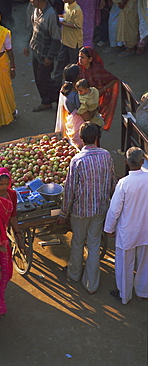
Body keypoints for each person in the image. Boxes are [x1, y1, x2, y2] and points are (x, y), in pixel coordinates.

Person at [57, 122, 116, 294]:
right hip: (100, 210)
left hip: (80, 211)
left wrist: (63, 213)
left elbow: (69, 190)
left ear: (81, 139)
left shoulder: (77, 160)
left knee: (77, 242)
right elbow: (113, 183)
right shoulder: (106, 156)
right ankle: (92, 284)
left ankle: (74, 275)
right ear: (97, 138)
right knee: (94, 244)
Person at [104, 147, 148, 304]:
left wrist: (109, 228)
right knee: (144, 262)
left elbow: (114, 209)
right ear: (143, 161)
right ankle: (143, 291)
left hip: (127, 231)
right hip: (145, 230)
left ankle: (125, 294)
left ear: (126, 162)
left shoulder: (124, 183)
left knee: (124, 264)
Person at [0, 167, 25, 318]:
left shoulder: (12, 195)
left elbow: (13, 216)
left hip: (4, 240)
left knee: (6, 273)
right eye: (0, 184)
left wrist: (19, 237)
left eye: (5, 184)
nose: (2, 187)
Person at [24, 0, 61, 112]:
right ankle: (46, 101)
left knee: (44, 79)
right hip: (36, 51)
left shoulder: (50, 14)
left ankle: (62, 99)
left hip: (45, 55)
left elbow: (56, 38)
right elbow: (33, 30)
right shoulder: (36, 11)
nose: (31, 0)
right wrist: (27, 45)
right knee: (38, 79)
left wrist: (50, 56)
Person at [55, 64, 96, 148]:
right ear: (78, 76)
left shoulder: (64, 90)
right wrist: (95, 109)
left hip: (71, 127)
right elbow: (86, 117)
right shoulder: (76, 97)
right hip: (79, 131)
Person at [78, 46, 119, 130]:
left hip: (95, 100)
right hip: (83, 100)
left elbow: (114, 80)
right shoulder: (78, 67)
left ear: (90, 59)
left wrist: (102, 90)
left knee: (94, 125)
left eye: (82, 57)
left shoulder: (97, 69)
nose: (80, 59)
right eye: (79, 57)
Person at [54, 0, 83, 86]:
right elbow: (66, 16)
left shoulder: (77, 10)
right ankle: (56, 83)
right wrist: (60, 17)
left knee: (74, 65)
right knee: (60, 61)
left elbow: (78, 26)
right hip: (65, 40)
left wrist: (63, 23)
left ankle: (76, 84)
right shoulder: (66, 5)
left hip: (74, 42)